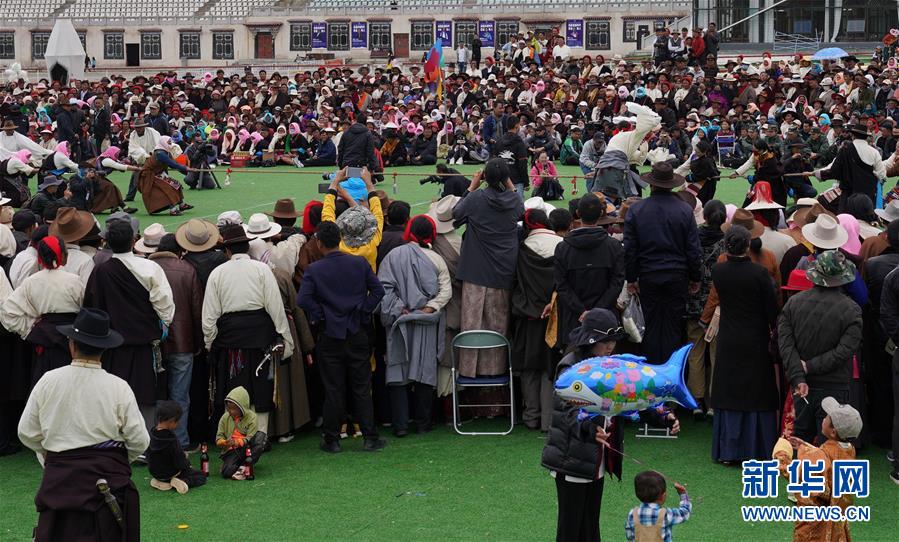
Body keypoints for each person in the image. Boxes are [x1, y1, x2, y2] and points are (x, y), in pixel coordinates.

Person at [541, 309, 680, 542]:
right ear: (590, 340)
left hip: (597, 457)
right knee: (570, 529)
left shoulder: (612, 364)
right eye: (605, 341)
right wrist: (588, 428)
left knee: (590, 526)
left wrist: (662, 417)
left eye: (613, 341)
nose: (610, 347)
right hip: (572, 457)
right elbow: (567, 409)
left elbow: (634, 397)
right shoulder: (570, 366)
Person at [17, 308, 150, 541]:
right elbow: (140, 441)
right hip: (108, 482)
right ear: (105, 348)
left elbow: (26, 432)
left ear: (71, 344)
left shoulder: (48, 381)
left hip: (60, 482)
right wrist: (113, 460)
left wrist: (51, 457)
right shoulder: (118, 387)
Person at [297, 221, 386, 453]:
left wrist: (321, 315)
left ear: (319, 243)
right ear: (340, 239)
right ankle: (369, 436)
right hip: (356, 330)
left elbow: (303, 300)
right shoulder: (358, 263)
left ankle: (332, 438)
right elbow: (378, 291)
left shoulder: (315, 270)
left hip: (330, 333)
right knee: (361, 386)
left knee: (334, 388)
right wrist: (363, 312)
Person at [83, 220, 175, 439]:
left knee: (113, 396)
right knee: (144, 396)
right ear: (134, 240)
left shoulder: (100, 271)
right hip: (143, 344)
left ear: (106, 242)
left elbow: (92, 309)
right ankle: (142, 443)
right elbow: (166, 306)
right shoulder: (149, 268)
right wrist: (161, 328)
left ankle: (114, 442)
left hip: (112, 346)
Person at [202, 224, 294, 436]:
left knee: (236, 386)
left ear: (227, 251)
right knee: (261, 385)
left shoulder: (217, 273)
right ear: (247, 247)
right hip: (259, 337)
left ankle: (240, 436)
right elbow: (275, 307)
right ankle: (259, 435)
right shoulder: (262, 270)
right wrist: (286, 339)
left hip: (230, 340)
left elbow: (209, 316)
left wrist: (210, 343)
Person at [705, 225, 779, 464]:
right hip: (755, 338)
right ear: (748, 245)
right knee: (757, 391)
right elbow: (772, 309)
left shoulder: (719, 270)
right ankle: (757, 448)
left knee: (729, 390)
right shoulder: (759, 274)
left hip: (728, 338)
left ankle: (728, 450)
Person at [779, 250, 863, 445]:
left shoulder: (793, 303)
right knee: (831, 445)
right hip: (834, 385)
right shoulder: (852, 310)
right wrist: (809, 367)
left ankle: (800, 475)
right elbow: (845, 351)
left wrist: (799, 374)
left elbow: (785, 345)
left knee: (800, 443)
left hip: (802, 385)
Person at [378, 215, 451, 436]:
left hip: (399, 321)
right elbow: (446, 291)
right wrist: (429, 308)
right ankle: (423, 423)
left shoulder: (392, 257)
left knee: (398, 371)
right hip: (425, 322)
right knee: (424, 370)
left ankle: (400, 426)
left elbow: (383, 289)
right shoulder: (437, 259)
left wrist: (401, 309)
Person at [452, 159, 524, 380]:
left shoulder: (476, 198)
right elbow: (521, 209)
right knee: (498, 328)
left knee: (472, 326)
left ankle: (469, 374)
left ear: (485, 177)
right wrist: (509, 183)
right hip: (502, 273)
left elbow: (456, 213)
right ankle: (495, 376)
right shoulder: (513, 200)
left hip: (475, 272)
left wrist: (472, 186)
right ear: (505, 178)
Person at [624, 162, 701, 363]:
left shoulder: (637, 210)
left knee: (650, 323)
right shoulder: (684, 210)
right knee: (673, 324)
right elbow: (693, 249)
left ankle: (651, 369)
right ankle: (670, 370)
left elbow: (630, 249)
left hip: (649, 274)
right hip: (677, 275)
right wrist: (695, 277)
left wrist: (631, 278)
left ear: (651, 184)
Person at [773, 398, 863, 541]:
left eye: (827, 417)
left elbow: (794, 473)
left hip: (815, 522)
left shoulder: (819, 457)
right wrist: (806, 447)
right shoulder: (850, 450)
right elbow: (831, 459)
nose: (824, 418)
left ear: (833, 432)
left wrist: (781, 452)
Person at [0, 235, 83, 388]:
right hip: (72, 341)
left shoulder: (32, 281)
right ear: (63, 255)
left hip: (45, 341)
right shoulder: (74, 281)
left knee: (45, 387)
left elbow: (8, 312)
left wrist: (30, 329)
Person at [148, 234, 203, 449]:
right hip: (182, 342)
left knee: (158, 394)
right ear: (178, 250)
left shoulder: (146, 269)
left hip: (154, 342)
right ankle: (180, 441)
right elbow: (196, 310)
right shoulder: (187, 269)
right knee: (181, 396)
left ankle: (158, 440)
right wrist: (198, 342)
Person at [553, 193, 625, 349]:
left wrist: (588, 312)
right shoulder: (613, 246)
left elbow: (561, 285)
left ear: (578, 214)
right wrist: (594, 312)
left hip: (578, 317)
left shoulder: (563, 248)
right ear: (601, 214)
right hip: (595, 317)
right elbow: (617, 282)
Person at [684, 200, 726, 418]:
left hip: (693, 302)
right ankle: (713, 402)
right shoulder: (728, 242)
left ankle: (696, 400)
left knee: (695, 352)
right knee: (716, 353)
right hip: (718, 306)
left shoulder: (692, 238)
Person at [321, 166, 383, 270]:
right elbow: (377, 212)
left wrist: (335, 181)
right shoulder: (373, 239)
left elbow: (327, 213)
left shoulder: (337, 243)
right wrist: (368, 183)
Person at [148, 401, 207, 493]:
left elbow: (149, 455)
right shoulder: (171, 439)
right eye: (177, 421)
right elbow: (179, 461)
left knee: (165, 471)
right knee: (201, 475)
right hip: (171, 473)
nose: (178, 424)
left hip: (156, 473)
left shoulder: (151, 434)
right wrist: (186, 462)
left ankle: (162, 482)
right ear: (171, 421)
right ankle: (183, 481)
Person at [215, 386, 268, 480]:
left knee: (261, 436)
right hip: (231, 450)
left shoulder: (252, 417)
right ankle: (234, 465)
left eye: (234, 408)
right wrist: (224, 442)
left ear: (242, 407)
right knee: (226, 473)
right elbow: (218, 437)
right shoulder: (224, 418)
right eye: (229, 408)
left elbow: (250, 437)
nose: (231, 411)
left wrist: (237, 442)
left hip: (246, 447)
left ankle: (244, 467)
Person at [624, 471, 692, 542]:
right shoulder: (665, 514)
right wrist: (683, 494)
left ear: (637, 495)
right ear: (663, 496)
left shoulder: (632, 514)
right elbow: (685, 512)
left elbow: (629, 536)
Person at [137, 135, 192, 216]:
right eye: (169, 142)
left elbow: (175, 164)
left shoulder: (166, 152)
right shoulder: (160, 153)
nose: (170, 144)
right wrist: (186, 168)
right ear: (163, 143)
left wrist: (188, 171)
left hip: (158, 174)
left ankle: (182, 205)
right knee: (167, 189)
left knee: (176, 184)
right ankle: (173, 210)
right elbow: (173, 164)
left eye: (170, 142)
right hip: (149, 176)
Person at [492, 115, 529, 198]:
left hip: (500, 180)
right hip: (517, 181)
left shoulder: (499, 142)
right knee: (517, 207)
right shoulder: (519, 142)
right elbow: (522, 164)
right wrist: (526, 182)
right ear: (517, 126)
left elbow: (493, 163)